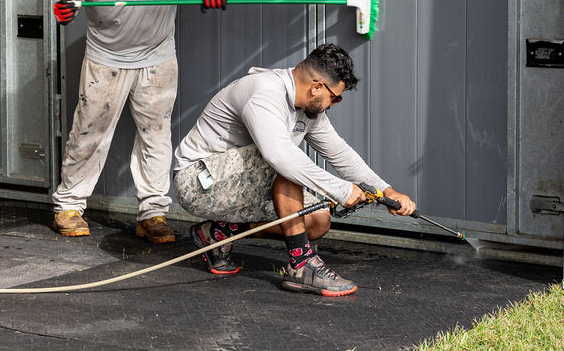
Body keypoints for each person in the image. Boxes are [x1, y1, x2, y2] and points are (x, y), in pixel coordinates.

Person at [51, 0, 232, 243]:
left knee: (156, 135)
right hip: (106, 59)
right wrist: (64, 7)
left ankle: (153, 213)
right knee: (89, 132)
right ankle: (69, 206)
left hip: (157, 58)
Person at [172, 43, 417, 296]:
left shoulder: (309, 112)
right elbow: (281, 157)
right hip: (198, 183)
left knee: (317, 219)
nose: (333, 104)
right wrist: (341, 190)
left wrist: (387, 191)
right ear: (316, 87)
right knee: (287, 161)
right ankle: (301, 265)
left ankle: (218, 232)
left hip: (238, 184)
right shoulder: (265, 93)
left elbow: (340, 154)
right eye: (335, 97)